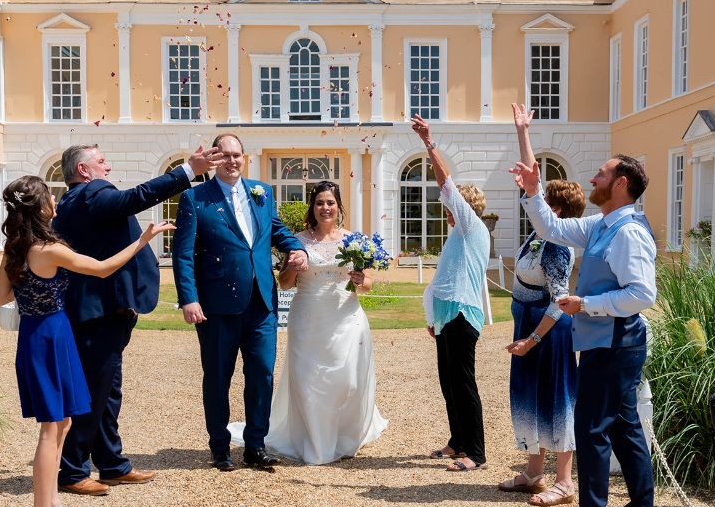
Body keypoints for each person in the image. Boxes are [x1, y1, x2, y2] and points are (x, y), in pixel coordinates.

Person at [0, 175, 174, 507]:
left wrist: (31, 291)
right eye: (50, 197)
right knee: (51, 428)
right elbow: (103, 268)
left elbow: (2, 297)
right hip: (52, 336)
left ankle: (53, 505)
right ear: (39, 206)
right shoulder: (49, 249)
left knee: (62, 424)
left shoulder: (15, 249)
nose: (55, 202)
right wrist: (142, 240)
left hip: (38, 335)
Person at [511, 102, 658, 507]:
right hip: (607, 343)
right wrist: (533, 189)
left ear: (621, 183)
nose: (592, 179)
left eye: (600, 173)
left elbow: (642, 295)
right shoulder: (601, 224)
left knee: (592, 430)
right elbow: (550, 227)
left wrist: (585, 304)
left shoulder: (628, 232)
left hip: (615, 344)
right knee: (626, 431)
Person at [52, 144, 220, 497]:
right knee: (94, 391)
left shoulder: (76, 200)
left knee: (108, 390)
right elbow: (137, 197)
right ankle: (72, 471)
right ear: (83, 170)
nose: (108, 166)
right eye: (101, 161)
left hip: (102, 309)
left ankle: (111, 463)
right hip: (99, 312)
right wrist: (188, 170)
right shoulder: (91, 194)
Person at [172, 133, 308, 471]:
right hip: (217, 306)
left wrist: (297, 247)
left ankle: (255, 445)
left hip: (262, 303)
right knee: (218, 377)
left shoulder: (262, 192)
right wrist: (189, 298)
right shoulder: (194, 198)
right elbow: (183, 254)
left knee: (262, 374)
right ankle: (220, 447)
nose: (232, 161)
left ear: (244, 158)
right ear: (214, 159)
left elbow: (276, 230)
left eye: (237, 155)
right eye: (225, 155)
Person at [239, 181, 388, 464]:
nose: (325, 208)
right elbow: (284, 284)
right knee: (309, 380)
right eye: (320, 203)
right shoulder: (297, 241)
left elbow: (368, 283)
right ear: (313, 207)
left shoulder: (353, 240)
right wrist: (294, 268)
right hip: (308, 317)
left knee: (348, 380)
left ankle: (343, 436)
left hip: (346, 318)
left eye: (330, 202)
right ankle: (314, 441)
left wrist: (361, 280)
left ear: (339, 206)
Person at [411, 114, 491, 472]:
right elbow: (443, 279)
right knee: (449, 382)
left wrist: (428, 143)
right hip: (447, 317)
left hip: (462, 315)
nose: (445, 209)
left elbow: (445, 183)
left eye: (450, 205)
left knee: (463, 382)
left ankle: (476, 451)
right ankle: (458, 441)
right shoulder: (458, 235)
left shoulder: (470, 226)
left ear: (461, 206)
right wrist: (434, 317)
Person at [499, 178, 585, 507]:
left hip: (549, 334)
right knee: (529, 397)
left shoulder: (558, 246)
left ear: (556, 210)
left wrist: (532, 340)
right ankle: (534, 473)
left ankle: (564, 482)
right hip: (528, 326)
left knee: (556, 399)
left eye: (544, 200)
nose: (536, 204)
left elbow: (559, 302)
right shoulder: (539, 235)